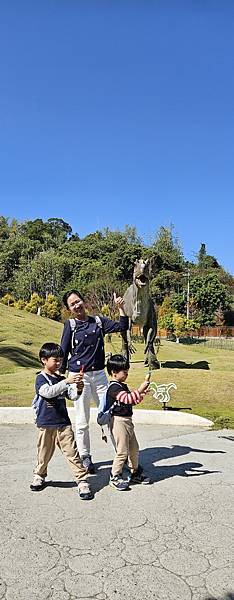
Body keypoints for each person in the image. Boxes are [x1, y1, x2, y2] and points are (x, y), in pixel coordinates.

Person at [60, 289, 128, 474]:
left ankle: (121, 455)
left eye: (78, 301)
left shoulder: (98, 321)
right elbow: (63, 352)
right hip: (79, 376)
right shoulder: (71, 325)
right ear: (69, 308)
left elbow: (122, 327)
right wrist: (62, 377)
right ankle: (85, 457)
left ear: (83, 301)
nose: (77, 305)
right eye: (72, 304)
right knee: (82, 420)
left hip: (99, 376)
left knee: (108, 415)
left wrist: (121, 308)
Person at [30, 342, 93, 500]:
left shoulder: (61, 378)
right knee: (44, 453)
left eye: (60, 360)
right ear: (44, 360)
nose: (58, 363)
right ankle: (39, 475)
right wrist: (66, 382)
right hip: (45, 423)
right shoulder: (41, 378)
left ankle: (82, 480)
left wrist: (78, 387)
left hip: (63, 423)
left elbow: (72, 396)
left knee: (72, 453)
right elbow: (48, 392)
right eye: (55, 360)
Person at [103, 354, 151, 491]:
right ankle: (115, 476)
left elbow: (132, 401)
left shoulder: (123, 385)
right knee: (122, 451)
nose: (127, 374)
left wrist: (141, 395)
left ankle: (134, 472)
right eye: (124, 372)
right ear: (114, 372)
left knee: (134, 448)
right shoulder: (113, 387)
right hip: (118, 422)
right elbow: (127, 399)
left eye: (127, 371)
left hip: (128, 421)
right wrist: (140, 389)